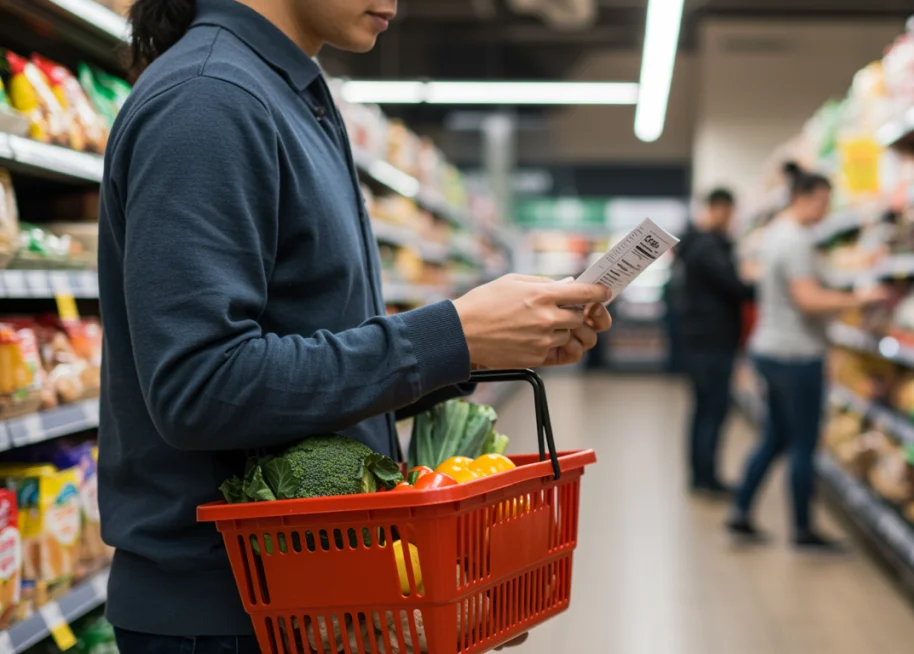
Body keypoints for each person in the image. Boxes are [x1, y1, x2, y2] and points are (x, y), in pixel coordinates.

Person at [100, 0, 612, 651]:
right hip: (228, 614)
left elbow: (313, 350)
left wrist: (479, 346)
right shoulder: (209, 100)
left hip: (307, 593)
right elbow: (201, 387)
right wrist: (448, 335)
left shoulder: (289, 94)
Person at [727, 163, 885, 549]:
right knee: (802, 443)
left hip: (771, 349)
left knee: (775, 437)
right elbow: (808, 300)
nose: (827, 212)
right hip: (795, 355)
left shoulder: (775, 234)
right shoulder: (795, 240)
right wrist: (857, 299)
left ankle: (741, 511)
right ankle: (802, 529)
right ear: (805, 198)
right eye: (824, 202)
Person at [675, 189, 755, 494]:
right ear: (719, 209)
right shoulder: (708, 247)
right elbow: (736, 288)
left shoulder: (698, 244)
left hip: (702, 341)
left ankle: (702, 474)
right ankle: (705, 477)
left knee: (703, 410)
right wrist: (751, 279)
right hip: (712, 342)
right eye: (730, 213)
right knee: (712, 410)